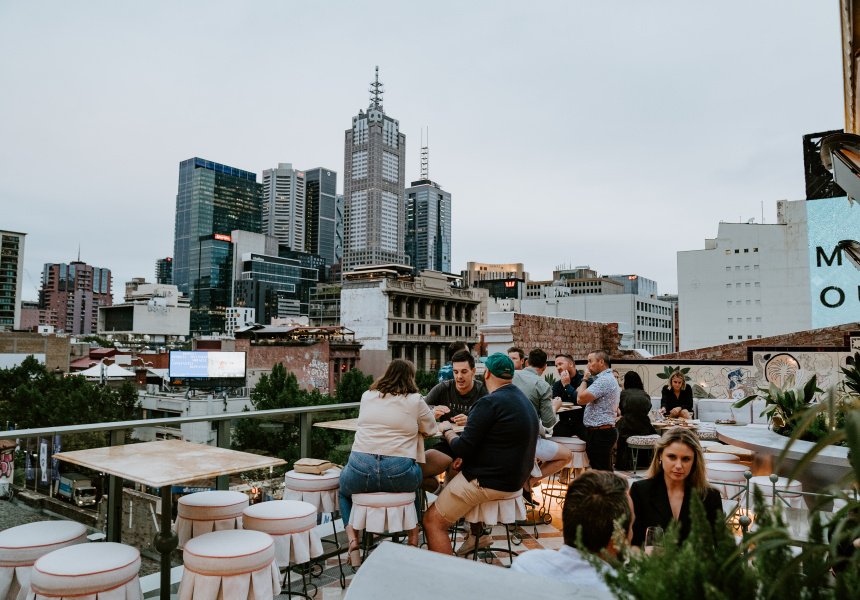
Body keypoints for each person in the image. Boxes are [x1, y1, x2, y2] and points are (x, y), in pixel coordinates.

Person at [423, 353, 539, 556]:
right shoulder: (524, 401)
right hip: (515, 481)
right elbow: (497, 442)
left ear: (486, 374)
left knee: (432, 521)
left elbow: (462, 448)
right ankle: (477, 534)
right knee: (454, 479)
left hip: (487, 481)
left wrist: (446, 429)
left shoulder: (488, 403)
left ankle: (444, 578)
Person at [338, 359, 438, 567]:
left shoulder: (367, 396)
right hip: (398, 473)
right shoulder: (415, 400)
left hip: (360, 468)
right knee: (415, 482)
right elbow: (431, 429)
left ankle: (353, 541)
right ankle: (413, 539)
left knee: (343, 491)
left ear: (386, 374)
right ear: (411, 377)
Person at [511, 471, 633, 590]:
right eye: (631, 526)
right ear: (616, 538)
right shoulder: (619, 591)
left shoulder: (526, 565)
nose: (632, 534)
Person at [629, 427, 723, 547]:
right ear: (660, 456)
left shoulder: (709, 496)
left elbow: (718, 545)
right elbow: (634, 544)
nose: (678, 466)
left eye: (686, 459)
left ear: (694, 461)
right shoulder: (641, 491)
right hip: (650, 564)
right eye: (672, 457)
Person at [421, 350, 488, 493]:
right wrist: (432, 412)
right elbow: (420, 408)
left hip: (472, 449)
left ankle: (450, 507)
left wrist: (471, 420)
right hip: (447, 446)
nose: (459, 376)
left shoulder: (482, 390)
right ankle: (440, 492)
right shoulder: (444, 387)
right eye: (456, 372)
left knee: (456, 476)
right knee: (412, 472)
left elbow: (493, 422)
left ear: (473, 371)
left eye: (464, 372)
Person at [512, 349, 571, 496]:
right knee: (567, 455)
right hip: (527, 441)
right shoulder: (542, 385)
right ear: (544, 367)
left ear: (526, 362)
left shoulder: (510, 376)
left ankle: (525, 484)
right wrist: (554, 407)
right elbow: (549, 422)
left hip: (503, 437)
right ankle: (529, 483)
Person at [576, 349, 621, 471]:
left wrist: (585, 378)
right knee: (601, 470)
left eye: (590, 361)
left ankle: (609, 490)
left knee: (602, 472)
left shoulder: (604, 380)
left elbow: (580, 399)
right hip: (600, 431)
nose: (588, 365)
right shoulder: (605, 379)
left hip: (601, 432)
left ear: (601, 362)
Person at [615, 371, 657, 470]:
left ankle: (621, 463)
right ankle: (647, 462)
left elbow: (622, 410)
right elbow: (647, 409)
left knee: (616, 430)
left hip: (627, 426)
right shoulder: (645, 394)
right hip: (644, 426)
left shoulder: (623, 394)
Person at [552, 354, 590, 439]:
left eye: (561, 364)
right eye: (556, 366)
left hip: (582, 423)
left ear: (571, 364)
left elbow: (581, 401)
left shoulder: (584, 381)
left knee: (591, 441)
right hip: (565, 423)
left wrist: (567, 385)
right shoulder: (557, 385)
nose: (558, 368)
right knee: (555, 437)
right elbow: (554, 402)